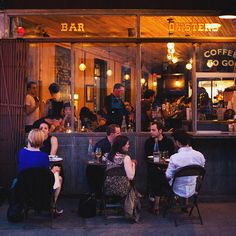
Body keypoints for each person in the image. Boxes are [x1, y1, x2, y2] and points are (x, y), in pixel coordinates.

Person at [18, 129, 62, 215]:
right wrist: (53, 170)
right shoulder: (44, 156)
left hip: (24, 186)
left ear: (29, 139)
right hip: (40, 188)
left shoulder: (22, 152)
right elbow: (45, 175)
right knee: (59, 178)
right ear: (42, 141)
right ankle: (53, 206)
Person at [144, 121, 175, 214]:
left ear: (160, 131)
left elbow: (171, 156)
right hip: (154, 167)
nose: (151, 132)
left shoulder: (168, 142)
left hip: (166, 167)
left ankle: (156, 204)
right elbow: (147, 156)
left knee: (160, 175)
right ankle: (157, 203)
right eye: (150, 130)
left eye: (153, 130)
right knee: (157, 174)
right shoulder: (149, 142)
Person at [166, 129, 205, 198]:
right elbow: (201, 172)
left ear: (177, 142)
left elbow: (168, 176)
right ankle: (184, 205)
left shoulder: (174, 157)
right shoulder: (200, 155)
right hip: (192, 189)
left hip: (177, 189)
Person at [39, 122, 63, 213]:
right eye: (41, 128)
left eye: (45, 128)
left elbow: (51, 156)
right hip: (39, 167)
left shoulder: (52, 139)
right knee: (56, 179)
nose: (43, 130)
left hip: (51, 164)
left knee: (57, 178)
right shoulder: (36, 140)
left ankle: (53, 205)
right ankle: (46, 203)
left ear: (48, 131)